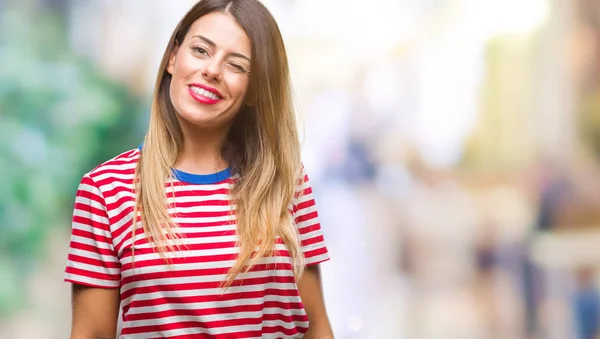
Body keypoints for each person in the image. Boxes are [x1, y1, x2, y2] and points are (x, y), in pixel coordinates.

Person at [63, 1, 333, 338]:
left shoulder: (287, 183)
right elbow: (91, 334)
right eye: (201, 50)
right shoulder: (105, 190)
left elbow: (317, 327)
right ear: (174, 57)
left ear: (253, 91)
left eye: (236, 65)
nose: (212, 70)